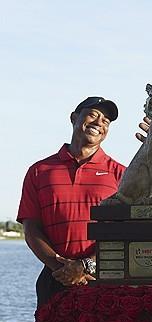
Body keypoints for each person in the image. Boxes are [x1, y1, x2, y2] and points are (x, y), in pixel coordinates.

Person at [17, 97, 125, 307]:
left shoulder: (121, 175)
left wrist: (86, 265)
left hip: (104, 280)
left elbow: (124, 233)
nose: (99, 123)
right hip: (55, 279)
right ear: (74, 118)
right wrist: (62, 270)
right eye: (93, 114)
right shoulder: (39, 171)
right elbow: (32, 229)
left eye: (106, 121)